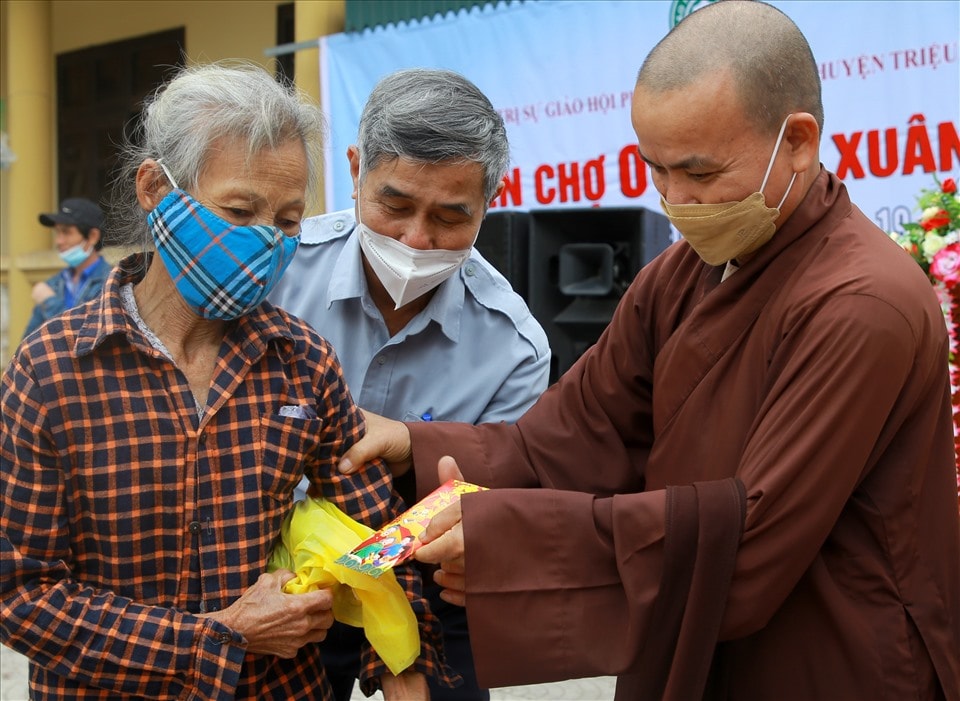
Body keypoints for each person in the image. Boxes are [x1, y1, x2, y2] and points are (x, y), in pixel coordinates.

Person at [337, 2, 960, 699]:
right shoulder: (680, 273)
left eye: (698, 172)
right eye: (656, 170)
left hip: (827, 651)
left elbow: (747, 544)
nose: (674, 199)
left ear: (799, 142)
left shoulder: (861, 303)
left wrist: (509, 542)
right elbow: (567, 440)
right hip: (684, 630)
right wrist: (409, 444)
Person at [0, 62, 452, 701]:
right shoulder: (51, 370)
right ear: (156, 188)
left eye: (289, 220)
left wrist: (402, 662)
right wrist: (219, 636)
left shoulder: (303, 362)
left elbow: (376, 535)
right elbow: (20, 594)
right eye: (239, 210)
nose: (266, 241)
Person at [270, 68, 550, 701]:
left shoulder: (513, 346)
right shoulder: (279, 274)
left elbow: (489, 493)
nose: (416, 240)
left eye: (452, 217)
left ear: (488, 205)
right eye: (394, 206)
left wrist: (401, 642)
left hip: (424, 578)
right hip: (270, 573)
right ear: (354, 170)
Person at [23, 197, 111, 338]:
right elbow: (28, 341)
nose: (58, 241)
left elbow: (83, 336)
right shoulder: (54, 283)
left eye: (66, 232)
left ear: (93, 236)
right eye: (57, 232)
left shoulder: (111, 282)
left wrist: (50, 302)